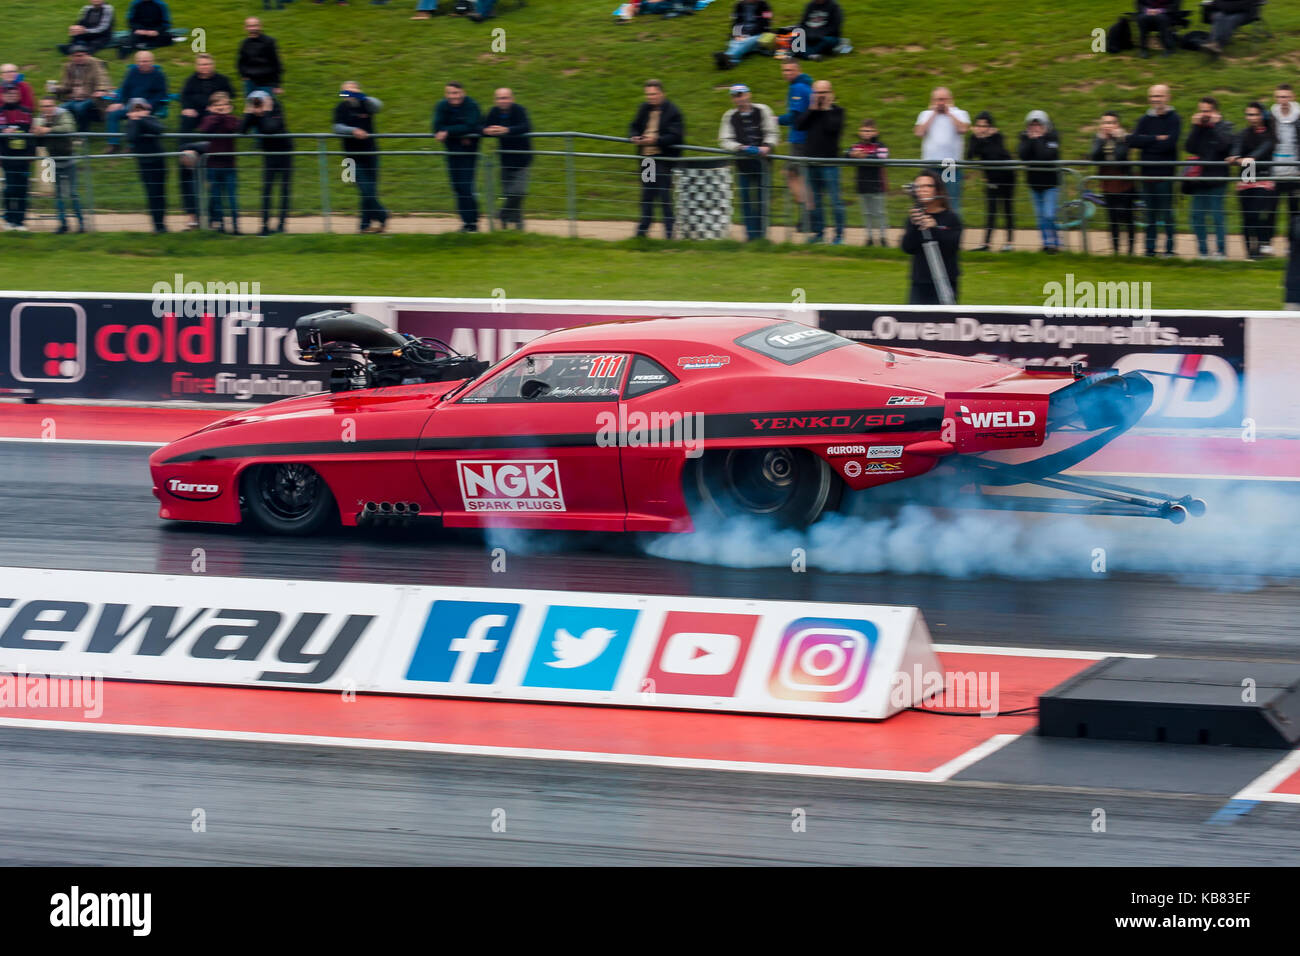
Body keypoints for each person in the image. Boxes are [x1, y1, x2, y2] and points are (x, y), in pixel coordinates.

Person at [179, 54, 235, 230]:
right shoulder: (190, 82)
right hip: (195, 135)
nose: (204, 67)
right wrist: (188, 110)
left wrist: (217, 112)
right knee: (188, 177)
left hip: (214, 140)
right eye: (201, 64)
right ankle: (193, 215)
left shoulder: (222, 81)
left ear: (213, 64)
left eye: (207, 64)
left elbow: (229, 101)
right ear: (197, 66)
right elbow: (185, 101)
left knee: (215, 184)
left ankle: (214, 218)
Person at [1127, 83, 1181, 257]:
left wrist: (1147, 142)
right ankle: (1149, 249)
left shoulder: (1174, 119)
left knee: (1166, 214)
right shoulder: (1145, 119)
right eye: (1153, 96)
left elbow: (1169, 144)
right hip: (1147, 174)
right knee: (1149, 215)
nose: (1156, 100)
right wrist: (1157, 138)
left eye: (1159, 96)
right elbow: (1133, 141)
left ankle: (1170, 249)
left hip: (1165, 175)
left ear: (1168, 97)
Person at [719, 83, 778, 241]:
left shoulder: (763, 110)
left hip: (763, 162)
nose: (739, 99)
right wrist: (740, 147)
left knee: (761, 199)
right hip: (743, 163)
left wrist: (767, 146)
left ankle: (761, 235)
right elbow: (725, 139)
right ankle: (751, 236)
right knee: (746, 200)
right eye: (735, 96)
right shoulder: (729, 116)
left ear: (748, 95)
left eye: (741, 95)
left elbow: (771, 132)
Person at [628, 80, 684, 239]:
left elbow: (676, 136)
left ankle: (669, 234)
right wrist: (634, 136)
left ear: (661, 93)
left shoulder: (673, 111)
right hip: (647, 159)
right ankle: (642, 234)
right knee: (647, 194)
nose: (650, 97)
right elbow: (633, 125)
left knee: (664, 195)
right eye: (648, 94)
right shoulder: (644, 108)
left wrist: (655, 140)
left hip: (663, 159)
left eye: (653, 94)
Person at [333, 81, 388, 233]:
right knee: (365, 190)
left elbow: (378, 106)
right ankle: (383, 215)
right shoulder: (341, 108)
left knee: (370, 191)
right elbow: (336, 128)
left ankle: (364, 226)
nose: (349, 93)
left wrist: (365, 97)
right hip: (350, 157)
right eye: (346, 91)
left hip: (371, 153)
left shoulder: (366, 104)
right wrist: (353, 131)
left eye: (353, 90)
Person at [795, 79, 845, 244]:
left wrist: (825, 109)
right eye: (817, 92)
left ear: (831, 94)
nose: (820, 96)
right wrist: (812, 109)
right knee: (815, 201)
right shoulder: (812, 111)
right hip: (812, 163)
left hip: (830, 164)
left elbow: (831, 129)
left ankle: (838, 235)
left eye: (823, 92)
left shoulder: (838, 112)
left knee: (835, 201)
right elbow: (799, 126)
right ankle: (819, 233)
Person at [1184, 96, 1234, 259]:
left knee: (1217, 216)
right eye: (1202, 111)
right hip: (1200, 178)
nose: (1204, 114)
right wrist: (1195, 127)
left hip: (1218, 178)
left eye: (1208, 111)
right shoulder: (1200, 128)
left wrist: (1215, 126)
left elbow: (1224, 146)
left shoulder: (1225, 126)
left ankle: (1221, 251)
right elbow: (1190, 147)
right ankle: (1203, 251)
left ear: (1216, 111)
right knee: (1197, 216)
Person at [901, 169, 961, 304]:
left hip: (946, 281)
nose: (922, 190)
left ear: (938, 190)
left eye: (927, 186)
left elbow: (952, 247)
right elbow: (907, 248)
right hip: (920, 282)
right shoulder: (914, 218)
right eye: (918, 186)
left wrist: (934, 229)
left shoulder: (951, 218)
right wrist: (914, 226)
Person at [241, 90, 293, 235]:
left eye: (260, 101)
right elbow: (241, 130)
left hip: (285, 152)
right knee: (267, 190)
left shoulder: (276, 107)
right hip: (269, 154)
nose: (258, 104)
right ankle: (264, 225)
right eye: (255, 102)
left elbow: (272, 128)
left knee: (284, 190)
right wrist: (248, 112)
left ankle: (281, 225)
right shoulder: (255, 112)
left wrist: (266, 112)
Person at [1227, 102, 1275, 260]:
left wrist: (1250, 158)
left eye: (1254, 114)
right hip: (1246, 179)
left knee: (1257, 214)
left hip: (1262, 178)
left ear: (1261, 116)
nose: (1251, 118)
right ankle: (1250, 252)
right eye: (1249, 115)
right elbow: (1237, 146)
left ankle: (1261, 246)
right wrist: (1235, 156)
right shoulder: (1244, 133)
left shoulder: (1269, 134)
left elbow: (1264, 149)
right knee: (1247, 217)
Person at [433, 82, 482, 232]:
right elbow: (436, 126)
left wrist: (448, 131)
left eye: (456, 93)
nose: (453, 96)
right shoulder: (442, 106)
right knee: (457, 187)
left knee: (465, 186)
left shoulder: (471, 105)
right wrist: (459, 132)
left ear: (463, 92)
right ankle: (468, 220)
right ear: (445, 94)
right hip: (452, 150)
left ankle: (471, 223)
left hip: (468, 151)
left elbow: (472, 125)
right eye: (449, 93)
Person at [480, 88, 532, 230]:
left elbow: (526, 126)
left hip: (522, 158)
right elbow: (481, 126)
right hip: (505, 159)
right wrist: (486, 131)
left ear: (512, 98)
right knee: (510, 195)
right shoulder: (494, 112)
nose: (502, 101)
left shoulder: (519, 110)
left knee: (519, 192)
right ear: (495, 100)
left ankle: (502, 214)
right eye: (499, 98)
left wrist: (507, 130)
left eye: (505, 98)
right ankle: (516, 225)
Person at [914, 87, 970, 216]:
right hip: (930, 166)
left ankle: (953, 231)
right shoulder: (925, 114)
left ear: (950, 100)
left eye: (944, 99)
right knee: (929, 199)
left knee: (951, 199)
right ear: (932, 101)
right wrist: (933, 114)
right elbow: (919, 132)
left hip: (950, 165)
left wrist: (949, 113)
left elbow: (963, 129)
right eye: (938, 100)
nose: (941, 102)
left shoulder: (960, 113)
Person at [32, 96, 84, 233]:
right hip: (53, 160)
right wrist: (36, 133)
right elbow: (37, 138)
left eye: (49, 106)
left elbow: (69, 128)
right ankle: (63, 224)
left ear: (54, 106)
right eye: (43, 106)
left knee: (73, 193)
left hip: (69, 159)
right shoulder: (40, 119)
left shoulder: (64, 114)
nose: (46, 109)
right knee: (59, 195)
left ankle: (81, 224)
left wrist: (47, 130)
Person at [1089, 111, 1137, 255]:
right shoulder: (1098, 138)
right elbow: (1094, 157)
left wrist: (1119, 139)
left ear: (1117, 125)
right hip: (1108, 184)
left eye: (1110, 123)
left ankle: (1130, 251)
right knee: (1112, 218)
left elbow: (1121, 156)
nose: (1107, 126)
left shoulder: (1124, 138)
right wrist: (1100, 141)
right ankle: (1116, 250)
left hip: (1124, 184)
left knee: (1127, 218)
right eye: (1104, 123)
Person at [966, 110, 1014, 251]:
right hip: (991, 178)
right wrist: (979, 138)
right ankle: (986, 244)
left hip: (1007, 177)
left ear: (990, 126)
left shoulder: (998, 137)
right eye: (978, 125)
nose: (981, 128)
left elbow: (994, 154)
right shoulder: (975, 138)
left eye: (984, 126)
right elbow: (970, 155)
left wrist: (984, 140)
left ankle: (1009, 243)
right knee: (991, 210)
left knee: (1007, 209)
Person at [105, 50, 167, 152]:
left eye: (146, 61)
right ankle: (113, 143)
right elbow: (124, 89)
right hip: (130, 104)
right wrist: (119, 102)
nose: (142, 64)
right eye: (140, 61)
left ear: (152, 61)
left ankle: (132, 145)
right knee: (113, 114)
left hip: (147, 106)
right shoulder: (132, 72)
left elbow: (161, 94)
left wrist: (150, 104)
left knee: (135, 115)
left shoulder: (158, 76)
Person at [777, 58, 813, 232]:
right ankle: (807, 215)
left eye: (790, 70)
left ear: (798, 70)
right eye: (784, 70)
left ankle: (807, 214)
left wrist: (776, 120)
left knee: (792, 174)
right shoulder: (806, 86)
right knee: (799, 176)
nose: (787, 74)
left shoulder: (797, 88)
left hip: (799, 140)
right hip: (805, 138)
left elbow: (795, 117)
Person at [1018, 109, 1061, 253]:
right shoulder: (1025, 138)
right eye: (1032, 125)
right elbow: (1023, 155)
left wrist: (1038, 139)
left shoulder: (1053, 137)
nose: (1035, 128)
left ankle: (1054, 243)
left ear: (1045, 125)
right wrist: (1032, 140)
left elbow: (1046, 156)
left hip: (1051, 184)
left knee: (1049, 214)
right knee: (1040, 216)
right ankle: (1047, 244)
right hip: (1034, 184)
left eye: (1038, 125)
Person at [198, 92, 241, 233]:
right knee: (216, 199)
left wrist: (224, 116)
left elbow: (232, 128)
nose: (221, 107)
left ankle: (236, 226)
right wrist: (217, 116)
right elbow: (205, 129)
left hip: (229, 166)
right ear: (210, 107)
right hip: (213, 166)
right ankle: (221, 225)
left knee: (232, 198)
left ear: (229, 106)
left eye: (223, 104)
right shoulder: (208, 119)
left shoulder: (232, 119)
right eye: (217, 105)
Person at [124, 97, 166, 232]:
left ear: (146, 110)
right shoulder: (130, 124)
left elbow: (159, 129)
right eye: (135, 110)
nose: (138, 112)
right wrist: (136, 121)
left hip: (159, 161)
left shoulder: (151, 119)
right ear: (129, 112)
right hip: (144, 163)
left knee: (160, 194)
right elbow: (131, 137)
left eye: (141, 109)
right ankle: (157, 225)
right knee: (151, 194)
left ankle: (161, 224)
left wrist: (141, 120)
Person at [846, 118, 888, 246]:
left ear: (875, 132)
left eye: (869, 131)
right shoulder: (856, 146)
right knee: (866, 213)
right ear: (860, 132)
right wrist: (852, 155)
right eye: (864, 130)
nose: (866, 133)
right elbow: (846, 154)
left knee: (880, 212)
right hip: (862, 185)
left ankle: (883, 238)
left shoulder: (881, 146)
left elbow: (882, 157)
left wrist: (862, 156)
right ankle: (869, 238)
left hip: (877, 185)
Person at [54, 45, 113, 133]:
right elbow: (66, 85)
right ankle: (67, 132)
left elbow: (102, 77)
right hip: (74, 97)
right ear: (71, 57)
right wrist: (56, 89)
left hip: (90, 96)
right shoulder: (69, 67)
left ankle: (83, 132)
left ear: (86, 55)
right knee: (61, 108)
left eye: (82, 55)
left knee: (79, 107)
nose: (79, 58)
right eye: (76, 56)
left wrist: (101, 89)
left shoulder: (95, 63)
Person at [1268, 84, 1298, 256]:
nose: (1283, 100)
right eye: (1279, 97)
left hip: (1295, 172)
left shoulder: (1298, 117)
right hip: (1276, 170)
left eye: (1286, 97)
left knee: (1293, 211)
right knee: (1272, 207)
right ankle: (1269, 243)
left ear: (1292, 97)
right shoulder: (1272, 116)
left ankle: (1290, 245)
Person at [0, 84, 34, 232]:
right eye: (8, 94)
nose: (11, 96)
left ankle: (20, 221)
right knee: (10, 189)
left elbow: (32, 136)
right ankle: (9, 218)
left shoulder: (26, 112)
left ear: (18, 95)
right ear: (3, 96)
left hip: (23, 159)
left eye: (13, 93)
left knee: (23, 190)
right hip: (6, 158)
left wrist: (31, 156)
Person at [714, 0, 773, 70]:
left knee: (743, 42)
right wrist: (737, 34)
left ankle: (727, 58)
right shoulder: (739, 5)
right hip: (742, 34)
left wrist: (748, 35)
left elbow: (766, 24)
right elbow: (736, 22)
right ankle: (730, 62)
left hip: (759, 34)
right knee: (735, 42)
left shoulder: (765, 5)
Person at [238, 18, 284, 97]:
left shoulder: (269, 42)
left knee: (268, 107)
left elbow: (276, 63)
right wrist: (243, 75)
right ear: (245, 28)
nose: (252, 29)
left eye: (255, 26)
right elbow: (241, 61)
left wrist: (276, 84)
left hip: (266, 82)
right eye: (250, 26)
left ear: (260, 26)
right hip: (250, 82)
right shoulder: (244, 43)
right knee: (251, 107)